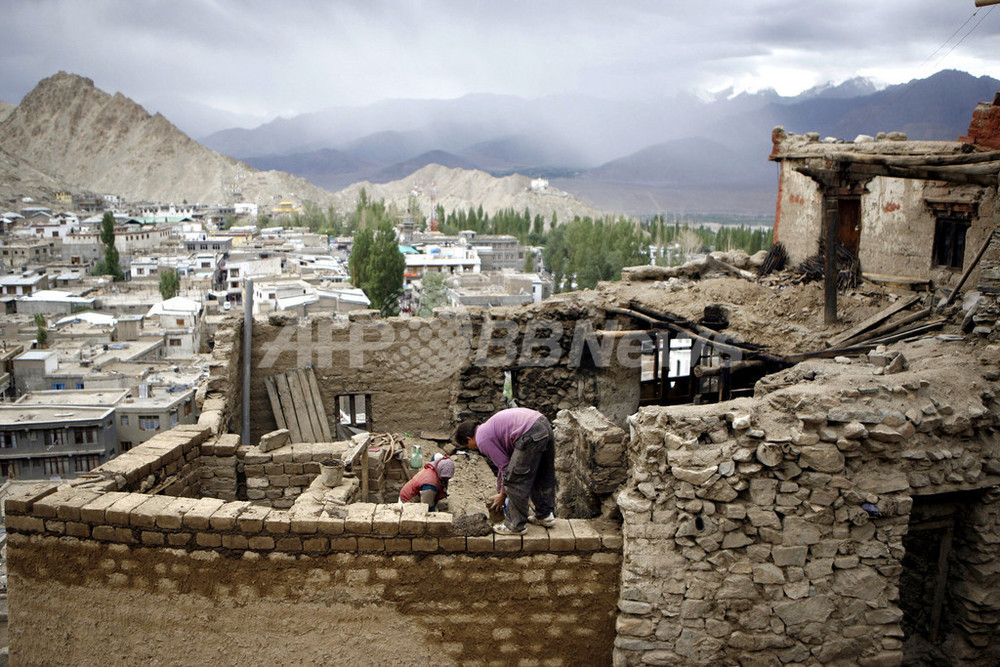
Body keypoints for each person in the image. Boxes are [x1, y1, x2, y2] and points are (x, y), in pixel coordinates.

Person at [452, 407, 556, 534]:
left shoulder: (482, 439)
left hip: (529, 432)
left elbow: (505, 467)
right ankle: (544, 516)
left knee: (515, 479)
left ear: (468, 438)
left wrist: (502, 494)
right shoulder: (489, 427)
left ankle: (515, 525)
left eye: (468, 446)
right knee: (543, 472)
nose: (473, 448)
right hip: (543, 423)